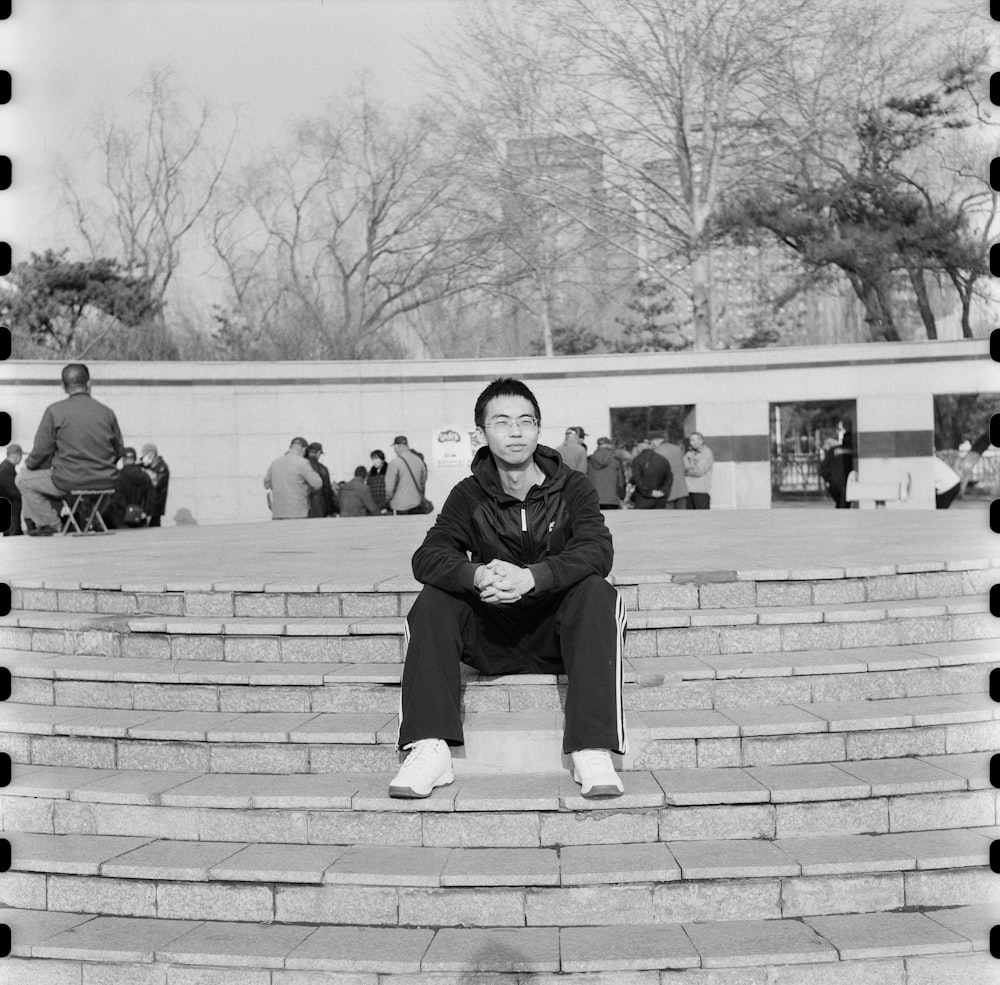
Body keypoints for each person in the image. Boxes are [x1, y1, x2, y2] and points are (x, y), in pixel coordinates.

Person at [390, 377, 627, 801]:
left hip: (558, 634)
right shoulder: (467, 495)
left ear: (538, 429)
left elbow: (597, 550)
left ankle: (591, 747)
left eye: (526, 421)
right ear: (481, 434)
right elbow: (428, 556)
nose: (516, 432)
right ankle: (429, 746)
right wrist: (477, 575)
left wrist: (533, 577)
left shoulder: (573, 488)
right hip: (492, 635)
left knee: (597, 591)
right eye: (502, 422)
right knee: (433, 598)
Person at [16, 363, 125, 536]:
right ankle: (90, 517)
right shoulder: (107, 412)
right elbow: (119, 450)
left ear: (63, 386)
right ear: (89, 384)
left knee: (22, 479)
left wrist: (29, 465)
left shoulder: (55, 411)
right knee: (73, 485)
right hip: (105, 480)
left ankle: (52, 524)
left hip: (69, 480)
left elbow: (41, 450)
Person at [263, 437, 322, 519]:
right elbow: (317, 483)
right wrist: (309, 490)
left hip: (278, 512)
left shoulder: (275, 463)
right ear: (304, 449)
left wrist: (270, 503)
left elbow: (267, 484)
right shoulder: (303, 463)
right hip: (298, 512)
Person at [104, 447, 154, 528]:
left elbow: (117, 499)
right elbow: (151, 497)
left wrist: (127, 511)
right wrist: (146, 512)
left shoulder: (119, 476)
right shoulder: (145, 476)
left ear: (123, 460)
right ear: (135, 459)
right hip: (139, 519)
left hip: (121, 520)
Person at [385, 435, 428, 515]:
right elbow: (423, 481)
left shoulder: (395, 462)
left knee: (402, 527)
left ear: (396, 447)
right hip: (417, 503)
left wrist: (388, 499)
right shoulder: (419, 461)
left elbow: (389, 487)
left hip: (399, 505)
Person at [629, 437, 671, 509]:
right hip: (660, 498)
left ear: (638, 447)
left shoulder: (637, 460)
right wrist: (663, 491)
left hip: (643, 498)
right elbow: (669, 477)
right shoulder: (663, 459)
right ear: (650, 446)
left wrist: (649, 492)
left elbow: (637, 479)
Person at [587, 437, 626, 509]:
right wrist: (622, 496)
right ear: (609, 445)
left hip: (594, 499)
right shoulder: (616, 460)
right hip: (613, 499)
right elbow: (621, 481)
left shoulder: (590, 460)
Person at [652, 433, 689, 509]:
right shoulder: (677, 449)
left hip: (667, 491)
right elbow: (684, 467)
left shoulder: (657, 451)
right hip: (681, 490)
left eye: (651, 442)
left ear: (655, 441)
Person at [139, 443, 170, 527]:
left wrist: (146, 472)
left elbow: (157, 483)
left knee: (154, 525)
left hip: (156, 503)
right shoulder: (149, 466)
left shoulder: (161, 467)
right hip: (148, 503)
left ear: (151, 454)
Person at [684, 432, 714, 509]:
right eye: (690, 440)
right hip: (688, 490)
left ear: (701, 441)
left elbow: (698, 471)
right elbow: (683, 466)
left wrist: (687, 471)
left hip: (700, 491)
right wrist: (690, 468)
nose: (691, 443)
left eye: (693, 440)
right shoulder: (689, 452)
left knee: (701, 516)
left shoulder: (706, 453)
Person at [306, 442, 337, 517]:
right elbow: (327, 491)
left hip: (303, 506)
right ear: (318, 453)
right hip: (318, 507)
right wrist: (331, 510)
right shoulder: (322, 469)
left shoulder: (301, 466)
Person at [0, 443, 23, 535]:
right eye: (20, 456)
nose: (21, 459)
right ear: (15, 455)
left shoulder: (5, 467)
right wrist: (25, 495)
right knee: (13, 532)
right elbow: (11, 489)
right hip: (12, 505)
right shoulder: (6, 469)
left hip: (10, 505)